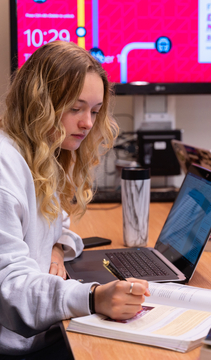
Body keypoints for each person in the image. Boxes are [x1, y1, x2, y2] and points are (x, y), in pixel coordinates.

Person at [0, 41, 150, 358]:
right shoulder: (5, 170)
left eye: (95, 111)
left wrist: (56, 245)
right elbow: (10, 292)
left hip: (42, 331)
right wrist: (93, 297)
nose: (88, 123)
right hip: (18, 346)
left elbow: (57, 220)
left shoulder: (39, 154)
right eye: (75, 108)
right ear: (39, 103)